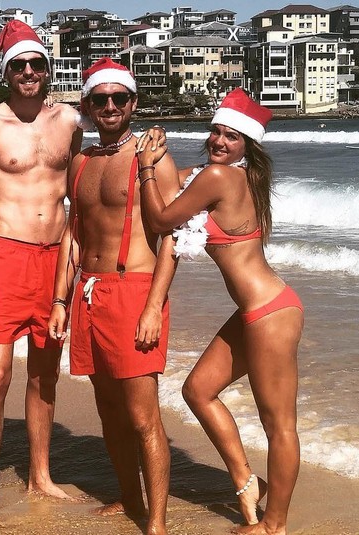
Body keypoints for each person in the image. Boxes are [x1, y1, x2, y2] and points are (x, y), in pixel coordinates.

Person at [136, 88, 304, 535]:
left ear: (247, 144)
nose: (219, 141)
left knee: (279, 425)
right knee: (198, 390)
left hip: (270, 313)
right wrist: (154, 149)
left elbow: (160, 219)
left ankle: (274, 525)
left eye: (232, 136)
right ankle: (248, 481)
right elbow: (174, 184)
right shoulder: (230, 177)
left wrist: (146, 167)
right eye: (216, 131)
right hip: (259, 310)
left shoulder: (219, 177)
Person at [48, 57, 178, 535]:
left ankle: (157, 522)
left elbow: (173, 239)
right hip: (89, 292)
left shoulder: (153, 158)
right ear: (87, 105)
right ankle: (129, 498)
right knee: (108, 409)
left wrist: (153, 307)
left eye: (118, 98)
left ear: (133, 103)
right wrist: (60, 301)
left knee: (143, 416)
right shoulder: (80, 162)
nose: (109, 106)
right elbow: (73, 235)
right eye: (100, 99)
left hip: (134, 291)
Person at [0, 20, 84, 524]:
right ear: (6, 72)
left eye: (37, 64)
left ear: (47, 69)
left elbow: (82, 197)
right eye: (19, 65)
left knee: (44, 373)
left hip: (55, 259)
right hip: (4, 257)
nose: (29, 72)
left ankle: (40, 474)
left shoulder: (70, 121)